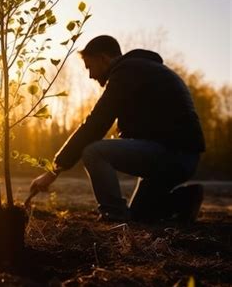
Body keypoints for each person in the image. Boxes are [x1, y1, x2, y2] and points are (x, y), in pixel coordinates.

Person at [30, 35, 205, 223]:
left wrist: (52, 172)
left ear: (103, 59)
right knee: (139, 215)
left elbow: (95, 125)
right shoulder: (141, 70)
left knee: (94, 152)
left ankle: (113, 215)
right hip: (182, 157)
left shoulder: (126, 71)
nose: (90, 75)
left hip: (172, 154)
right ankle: (185, 200)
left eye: (90, 67)